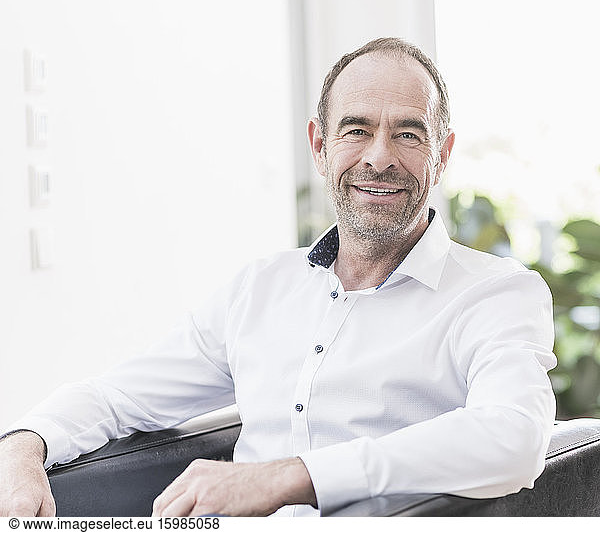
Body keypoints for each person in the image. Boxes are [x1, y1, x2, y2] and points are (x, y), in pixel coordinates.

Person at [0, 37, 556, 518]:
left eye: (408, 135)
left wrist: (291, 476)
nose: (379, 158)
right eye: (355, 130)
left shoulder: (498, 294)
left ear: (443, 153)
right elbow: (120, 395)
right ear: (320, 145)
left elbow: (513, 436)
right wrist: (24, 444)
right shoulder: (260, 288)